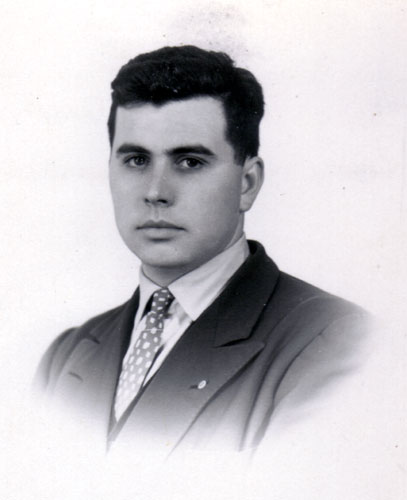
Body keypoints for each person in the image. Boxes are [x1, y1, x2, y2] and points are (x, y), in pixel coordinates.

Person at [35, 45, 372, 459]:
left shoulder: (335, 342)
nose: (155, 192)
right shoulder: (66, 355)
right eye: (136, 160)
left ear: (247, 183)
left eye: (190, 162)